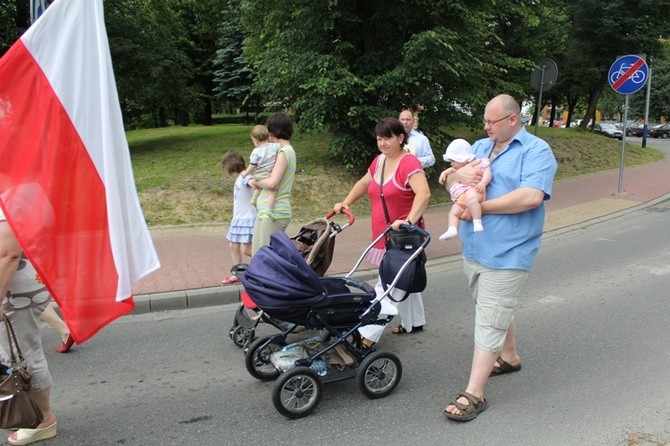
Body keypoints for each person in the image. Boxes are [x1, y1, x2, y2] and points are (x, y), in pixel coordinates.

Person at [443, 94, 557, 422]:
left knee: (490, 316)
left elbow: (531, 196)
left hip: (510, 252)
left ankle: (474, 394)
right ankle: (509, 356)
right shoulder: (478, 147)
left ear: (512, 120)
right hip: (476, 249)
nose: (486, 126)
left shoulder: (536, 151)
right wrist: (453, 179)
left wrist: (480, 208)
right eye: (484, 120)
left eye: (491, 121)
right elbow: (453, 175)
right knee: (491, 306)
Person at [333, 117, 430, 346]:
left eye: (388, 138)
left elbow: (424, 194)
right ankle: (414, 322)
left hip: (404, 237)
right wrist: (346, 202)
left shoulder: (409, 163)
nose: (383, 143)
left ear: (400, 138)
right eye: (379, 138)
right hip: (383, 234)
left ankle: (367, 335)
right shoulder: (380, 161)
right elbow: (364, 183)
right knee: (403, 276)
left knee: (388, 284)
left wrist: (408, 220)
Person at [0, 208, 58, 444]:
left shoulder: (6, 197)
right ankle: (39, 413)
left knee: (25, 355)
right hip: (24, 285)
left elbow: (9, 255)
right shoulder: (25, 189)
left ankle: (43, 420)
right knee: (25, 351)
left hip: (16, 292)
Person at [250, 113, 296, 255]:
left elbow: (272, 183)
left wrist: (255, 180)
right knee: (258, 254)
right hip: (267, 212)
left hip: (274, 212)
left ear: (274, 132)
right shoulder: (280, 151)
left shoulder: (284, 152)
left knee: (265, 257)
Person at [438, 138, 492, 241]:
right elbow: (451, 171)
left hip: (475, 190)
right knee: (453, 212)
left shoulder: (479, 163)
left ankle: (477, 221)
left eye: (453, 160)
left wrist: (483, 183)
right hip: (461, 197)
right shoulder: (459, 167)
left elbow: (487, 172)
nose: (451, 164)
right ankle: (452, 229)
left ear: (463, 158)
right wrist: (444, 173)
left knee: (471, 200)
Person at [220, 150, 257, 285]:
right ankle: (238, 273)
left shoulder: (244, 176)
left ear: (230, 166)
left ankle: (270, 262)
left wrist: (255, 185)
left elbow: (253, 182)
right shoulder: (239, 178)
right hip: (238, 218)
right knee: (233, 246)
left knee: (246, 249)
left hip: (247, 218)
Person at [242, 125, 280, 212]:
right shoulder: (274, 146)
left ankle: (254, 199)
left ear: (256, 140)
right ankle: (269, 209)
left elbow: (253, 165)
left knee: (259, 187)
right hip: (269, 174)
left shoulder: (256, 151)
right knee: (272, 191)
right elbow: (282, 147)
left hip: (259, 174)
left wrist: (246, 173)